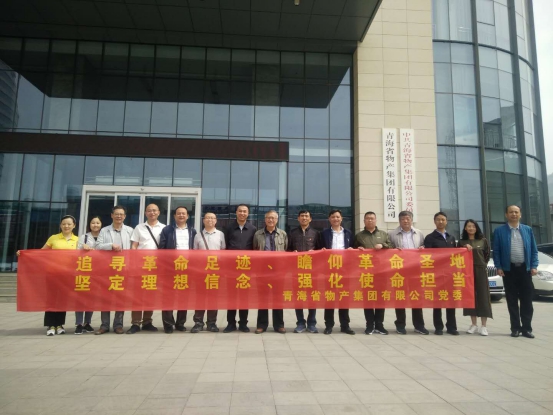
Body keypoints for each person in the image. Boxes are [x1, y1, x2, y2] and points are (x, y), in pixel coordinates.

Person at [17, 215, 78, 336]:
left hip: (67, 275)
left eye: (69, 224)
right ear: (60, 225)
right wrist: (24, 254)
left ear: (74, 226)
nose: (66, 226)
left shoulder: (78, 240)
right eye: (64, 224)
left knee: (62, 300)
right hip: (52, 274)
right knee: (51, 299)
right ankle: (50, 325)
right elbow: (41, 253)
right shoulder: (53, 238)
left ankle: (59, 324)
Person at [493, 205, 538, 339]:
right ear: (506, 215)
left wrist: (534, 265)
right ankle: (515, 328)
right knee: (512, 300)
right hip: (509, 270)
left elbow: (534, 250)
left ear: (520, 214)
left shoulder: (527, 230)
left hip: (525, 270)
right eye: (511, 212)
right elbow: (496, 251)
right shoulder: (499, 231)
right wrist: (498, 266)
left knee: (527, 300)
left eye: (516, 212)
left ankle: (527, 328)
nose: (514, 214)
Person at [388, 211, 429, 335]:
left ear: (412, 220)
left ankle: (419, 325)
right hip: (399, 271)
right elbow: (388, 250)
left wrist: (423, 248)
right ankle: (400, 325)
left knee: (416, 297)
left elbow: (424, 247)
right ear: (399, 220)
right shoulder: (392, 234)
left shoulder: (419, 233)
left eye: (408, 218)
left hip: (415, 270)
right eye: (403, 219)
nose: (406, 221)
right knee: (400, 297)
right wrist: (393, 250)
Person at [95, 205, 134, 335]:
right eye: (116, 214)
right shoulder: (104, 230)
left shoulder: (130, 231)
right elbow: (98, 246)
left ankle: (118, 325)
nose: (119, 216)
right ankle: (104, 325)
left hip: (123, 268)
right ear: (112, 215)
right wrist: (110, 245)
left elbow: (133, 249)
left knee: (120, 297)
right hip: (107, 269)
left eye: (121, 214)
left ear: (125, 216)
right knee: (105, 297)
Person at [128, 204, 166, 334]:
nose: (152, 212)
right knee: (138, 295)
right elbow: (134, 245)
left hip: (156, 266)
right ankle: (135, 323)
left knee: (151, 294)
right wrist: (134, 262)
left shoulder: (164, 228)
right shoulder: (139, 228)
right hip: (141, 266)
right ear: (145, 213)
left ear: (159, 212)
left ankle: (147, 322)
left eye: (154, 210)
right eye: (149, 210)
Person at [353, 211, 392, 335]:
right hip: (366, 273)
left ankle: (379, 325)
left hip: (381, 272)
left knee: (381, 299)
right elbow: (352, 252)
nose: (370, 220)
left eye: (372, 218)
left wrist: (383, 245)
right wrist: (357, 249)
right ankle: (369, 325)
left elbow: (391, 247)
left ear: (376, 220)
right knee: (368, 299)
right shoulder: (359, 236)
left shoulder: (383, 234)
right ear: (364, 221)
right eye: (367, 218)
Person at [159, 206, 197, 333]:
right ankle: (168, 324)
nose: (181, 215)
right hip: (170, 268)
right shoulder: (167, 230)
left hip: (186, 268)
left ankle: (180, 323)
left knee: (183, 296)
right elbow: (162, 248)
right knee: (168, 296)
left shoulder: (192, 231)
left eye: (183, 213)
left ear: (187, 216)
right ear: (174, 216)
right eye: (178, 213)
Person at [288, 210, 323, 333]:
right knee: (298, 297)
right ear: (298, 218)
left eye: (306, 216)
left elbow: (321, 250)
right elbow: (287, 249)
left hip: (312, 271)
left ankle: (312, 323)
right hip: (297, 271)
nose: (304, 218)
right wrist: (292, 253)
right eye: (302, 216)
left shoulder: (316, 233)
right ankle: (300, 323)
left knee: (312, 297)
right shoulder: (292, 233)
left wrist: (315, 253)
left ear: (310, 219)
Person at [253, 210, 288, 334]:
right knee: (263, 298)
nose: (270, 220)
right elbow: (254, 250)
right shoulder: (258, 234)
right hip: (262, 271)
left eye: (273, 218)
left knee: (277, 298)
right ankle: (261, 325)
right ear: (265, 219)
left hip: (278, 271)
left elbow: (286, 250)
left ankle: (279, 325)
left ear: (277, 220)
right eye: (268, 218)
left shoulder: (283, 234)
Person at [424, 212, 458, 335]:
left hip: (450, 274)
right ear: (434, 221)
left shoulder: (451, 238)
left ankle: (452, 327)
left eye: (443, 219)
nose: (441, 222)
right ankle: (438, 327)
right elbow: (427, 256)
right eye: (438, 219)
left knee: (451, 301)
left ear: (446, 221)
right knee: (437, 301)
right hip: (436, 274)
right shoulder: (429, 238)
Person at [223, 204, 257, 333]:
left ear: (248, 214)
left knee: (244, 297)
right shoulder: (229, 228)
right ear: (236, 212)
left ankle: (243, 323)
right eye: (240, 211)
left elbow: (254, 247)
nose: (242, 213)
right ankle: (230, 323)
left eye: (245, 211)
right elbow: (225, 247)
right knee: (231, 296)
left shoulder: (253, 229)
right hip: (231, 268)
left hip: (246, 268)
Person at [321, 209, 355, 335]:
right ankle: (329, 325)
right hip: (329, 270)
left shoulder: (348, 233)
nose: (335, 219)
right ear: (329, 219)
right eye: (333, 217)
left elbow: (354, 248)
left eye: (337, 217)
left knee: (344, 297)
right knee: (329, 298)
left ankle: (345, 325)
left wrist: (353, 250)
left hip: (344, 270)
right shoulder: (324, 233)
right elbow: (319, 249)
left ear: (341, 219)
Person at [192, 212, 226, 333]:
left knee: (213, 297)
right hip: (201, 271)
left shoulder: (220, 234)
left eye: (212, 218)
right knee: (200, 297)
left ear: (216, 221)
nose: (210, 220)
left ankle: (212, 323)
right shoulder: (197, 235)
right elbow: (195, 253)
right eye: (207, 218)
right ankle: (198, 322)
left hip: (215, 271)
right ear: (203, 220)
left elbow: (223, 251)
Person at [459, 220, 492, 336]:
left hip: (480, 270)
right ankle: (473, 324)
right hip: (467, 272)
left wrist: (481, 265)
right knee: (470, 296)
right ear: (465, 228)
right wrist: (464, 247)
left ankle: (484, 326)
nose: (471, 228)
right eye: (469, 226)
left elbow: (487, 255)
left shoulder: (483, 241)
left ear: (476, 228)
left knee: (483, 296)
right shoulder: (461, 242)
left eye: (473, 226)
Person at [74, 216, 102, 334]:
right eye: (93, 223)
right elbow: (76, 254)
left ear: (101, 224)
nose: (95, 225)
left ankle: (87, 323)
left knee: (91, 298)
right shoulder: (84, 237)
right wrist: (82, 248)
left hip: (97, 271)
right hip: (84, 271)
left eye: (97, 223)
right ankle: (79, 323)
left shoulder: (103, 237)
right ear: (89, 225)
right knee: (80, 298)